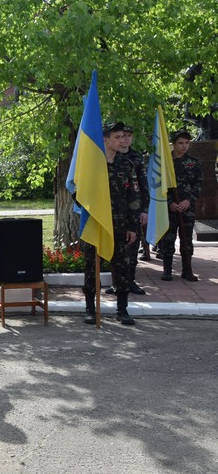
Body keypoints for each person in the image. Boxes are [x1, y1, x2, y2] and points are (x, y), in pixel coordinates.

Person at [82, 123, 142, 325]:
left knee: (122, 268)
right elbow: (78, 192)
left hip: (120, 226)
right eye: (117, 137)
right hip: (96, 225)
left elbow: (133, 197)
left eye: (123, 136)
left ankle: (122, 310)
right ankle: (90, 309)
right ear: (105, 140)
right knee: (92, 268)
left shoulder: (127, 165)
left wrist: (132, 227)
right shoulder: (92, 164)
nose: (121, 140)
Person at [106, 124, 148, 295]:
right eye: (121, 136)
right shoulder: (106, 157)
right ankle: (116, 283)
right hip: (111, 212)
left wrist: (144, 210)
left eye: (128, 136)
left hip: (132, 211)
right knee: (115, 250)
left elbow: (142, 186)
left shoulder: (135, 158)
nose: (124, 139)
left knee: (132, 247)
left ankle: (130, 281)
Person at [158, 129, 202, 282]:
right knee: (168, 239)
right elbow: (160, 185)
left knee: (186, 239)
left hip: (187, 208)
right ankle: (167, 270)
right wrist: (170, 202)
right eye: (180, 143)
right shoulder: (165, 163)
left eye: (187, 143)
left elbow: (198, 184)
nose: (184, 146)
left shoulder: (194, 162)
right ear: (173, 144)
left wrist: (189, 200)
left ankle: (187, 270)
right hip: (170, 208)